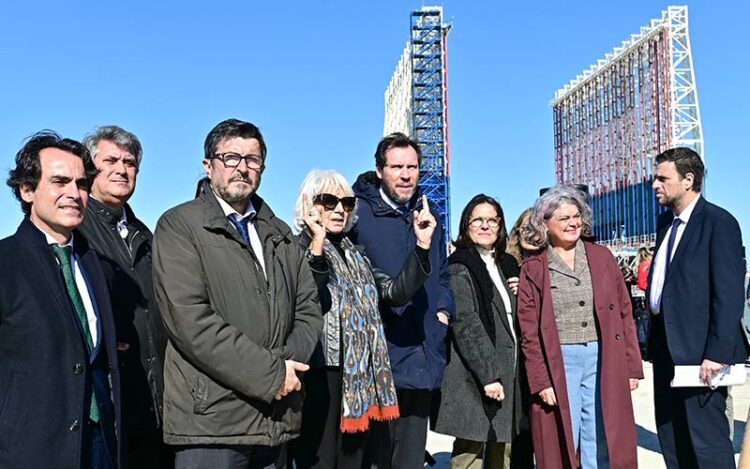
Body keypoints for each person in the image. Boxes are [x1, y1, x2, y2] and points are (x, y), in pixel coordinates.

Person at [152, 118, 323, 468]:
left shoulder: (280, 233)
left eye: (253, 159)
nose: (242, 168)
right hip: (212, 420)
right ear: (208, 165)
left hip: (275, 418)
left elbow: (308, 307)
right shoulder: (179, 225)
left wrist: (286, 369)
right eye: (230, 158)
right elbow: (190, 320)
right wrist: (272, 374)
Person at [290, 169, 436, 468]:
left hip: (358, 374)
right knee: (318, 458)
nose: (340, 209)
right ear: (309, 204)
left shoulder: (357, 254)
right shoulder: (295, 249)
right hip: (320, 371)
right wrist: (316, 245)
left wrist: (422, 247)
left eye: (347, 202)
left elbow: (393, 292)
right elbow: (306, 299)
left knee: (352, 460)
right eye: (328, 201)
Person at [0, 131, 122, 468]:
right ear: (27, 190)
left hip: (101, 444)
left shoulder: (98, 267)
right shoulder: (6, 262)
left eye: (81, 184)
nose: (74, 194)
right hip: (31, 449)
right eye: (60, 182)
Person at [517, 185, 643, 469]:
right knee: (563, 434)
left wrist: (631, 365)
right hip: (560, 360)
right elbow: (529, 333)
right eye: (564, 218)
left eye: (577, 216)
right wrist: (540, 380)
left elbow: (624, 312)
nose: (574, 223)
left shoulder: (602, 257)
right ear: (545, 224)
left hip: (603, 356)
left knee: (600, 432)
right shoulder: (534, 268)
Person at [350, 132, 456, 468]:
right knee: (377, 456)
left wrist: (444, 311)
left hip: (424, 347)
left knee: (411, 456)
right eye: (397, 167)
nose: (406, 174)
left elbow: (442, 275)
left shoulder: (428, 212)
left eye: (412, 167)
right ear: (379, 170)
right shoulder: (358, 215)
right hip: (381, 356)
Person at [647, 147, 748, 468]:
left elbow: (729, 294)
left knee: (706, 441)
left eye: (663, 178)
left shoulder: (719, 223)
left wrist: (716, 353)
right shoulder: (666, 223)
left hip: (701, 355)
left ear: (688, 180)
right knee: (672, 437)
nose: (655, 185)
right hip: (666, 349)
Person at [78, 125, 170, 468]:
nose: (122, 169)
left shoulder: (144, 234)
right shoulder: (77, 230)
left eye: (130, 163)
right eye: (111, 160)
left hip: (154, 400)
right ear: (91, 169)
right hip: (108, 400)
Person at [433, 194, 523, 469]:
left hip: (506, 371)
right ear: (466, 226)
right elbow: (467, 325)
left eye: (491, 220)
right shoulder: (461, 266)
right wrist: (489, 375)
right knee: (469, 453)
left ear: (500, 226)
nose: (485, 226)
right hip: (475, 375)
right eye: (477, 220)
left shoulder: (505, 265)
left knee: (502, 452)